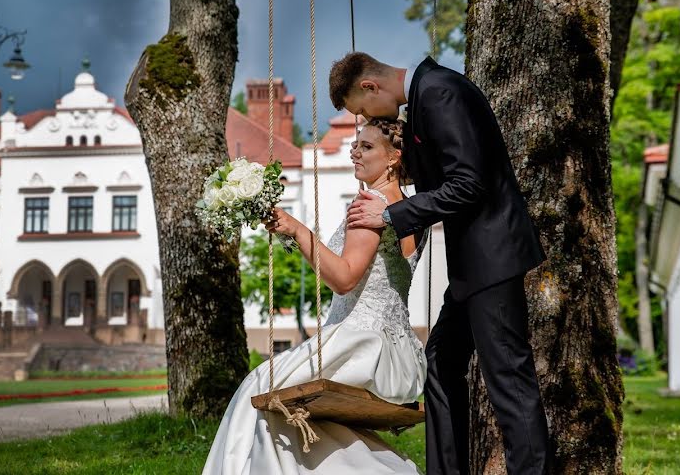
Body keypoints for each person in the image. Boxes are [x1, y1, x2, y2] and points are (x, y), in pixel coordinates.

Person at [336, 52, 549, 474]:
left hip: (493, 256)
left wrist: (391, 215)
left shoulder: (439, 92)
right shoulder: (427, 95)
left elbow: (468, 183)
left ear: (370, 87)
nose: (365, 119)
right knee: (441, 363)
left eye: (361, 110)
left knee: (509, 381)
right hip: (474, 265)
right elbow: (445, 170)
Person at [202, 118, 428, 475]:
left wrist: (297, 228)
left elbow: (344, 279)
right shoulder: (411, 209)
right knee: (292, 405)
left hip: (360, 345)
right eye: (355, 144)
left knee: (262, 390)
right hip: (400, 357)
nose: (355, 152)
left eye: (366, 146)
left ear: (394, 158)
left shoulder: (369, 205)